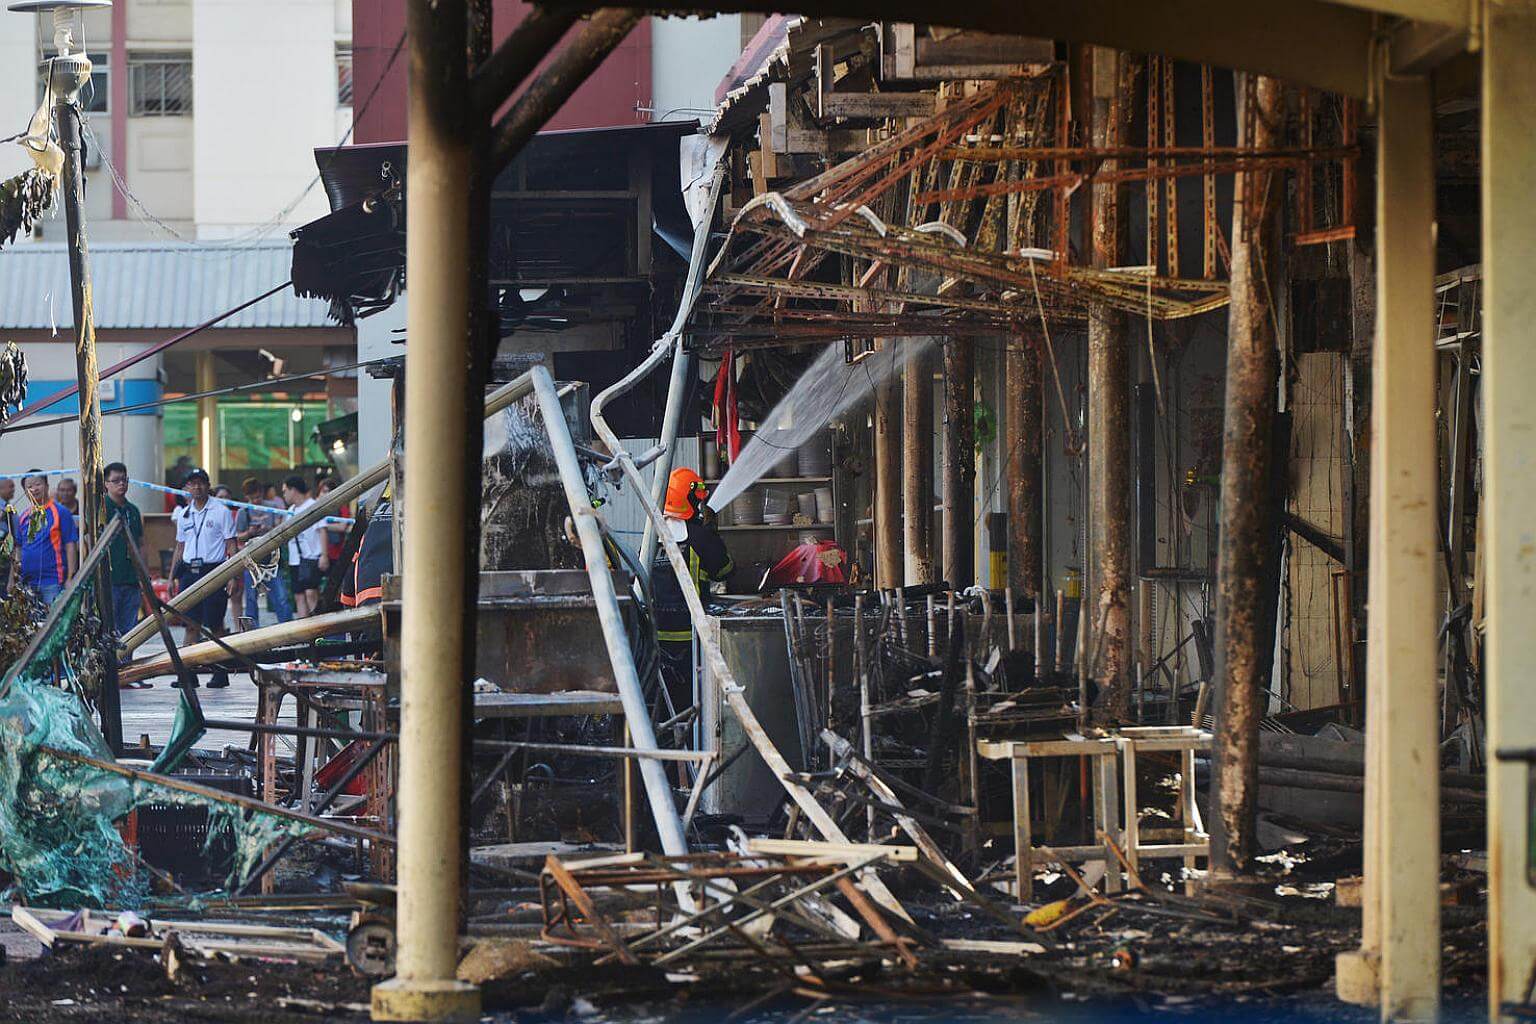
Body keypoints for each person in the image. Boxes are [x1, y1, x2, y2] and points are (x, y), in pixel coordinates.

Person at [650, 468, 733, 719]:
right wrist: (712, 533)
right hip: (693, 637)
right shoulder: (699, 537)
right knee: (696, 704)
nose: (701, 502)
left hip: (659, 638)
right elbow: (726, 569)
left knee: (667, 704)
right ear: (688, 499)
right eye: (698, 498)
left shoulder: (653, 536)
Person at [169, 467, 237, 688]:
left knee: (215, 624)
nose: (196, 487)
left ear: (208, 486)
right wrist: (172, 576)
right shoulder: (184, 514)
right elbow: (180, 547)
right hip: (190, 572)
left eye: (201, 483)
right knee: (190, 625)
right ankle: (187, 674)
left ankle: (220, 671)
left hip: (213, 570)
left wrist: (232, 575)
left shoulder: (221, 511)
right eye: (192, 483)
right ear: (187, 487)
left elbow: (231, 545)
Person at [235, 476, 293, 625]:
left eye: (258, 497)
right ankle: (252, 631)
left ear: (262, 493)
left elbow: (281, 528)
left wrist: (270, 530)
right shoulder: (243, 512)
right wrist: (250, 532)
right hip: (251, 562)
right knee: (250, 599)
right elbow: (238, 536)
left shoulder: (271, 507)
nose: (256, 501)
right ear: (246, 497)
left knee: (281, 596)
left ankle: (287, 626)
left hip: (271, 560)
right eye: (252, 498)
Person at [17, 471, 77, 602]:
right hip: (27, 583)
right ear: (25, 491)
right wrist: (14, 578)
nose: (34, 489)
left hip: (53, 581)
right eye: (29, 486)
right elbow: (18, 548)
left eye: (38, 484)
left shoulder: (60, 512)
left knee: (53, 620)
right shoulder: (23, 516)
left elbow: (70, 545)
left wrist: (70, 577)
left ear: (47, 486)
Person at [101, 462, 145, 637]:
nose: (121, 484)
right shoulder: (101, 509)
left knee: (129, 631)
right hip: (109, 580)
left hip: (131, 579)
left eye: (124, 480)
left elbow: (141, 544)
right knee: (110, 630)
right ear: (106, 483)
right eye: (116, 480)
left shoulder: (132, 510)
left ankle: (127, 664)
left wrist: (144, 573)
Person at [283, 475, 329, 617]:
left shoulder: (313, 505)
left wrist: (324, 555)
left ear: (293, 490)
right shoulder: (290, 510)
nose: (283, 495)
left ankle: (318, 630)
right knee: (299, 596)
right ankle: (304, 631)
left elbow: (322, 530)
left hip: (311, 557)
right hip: (294, 559)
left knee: (311, 594)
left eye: (285, 491)